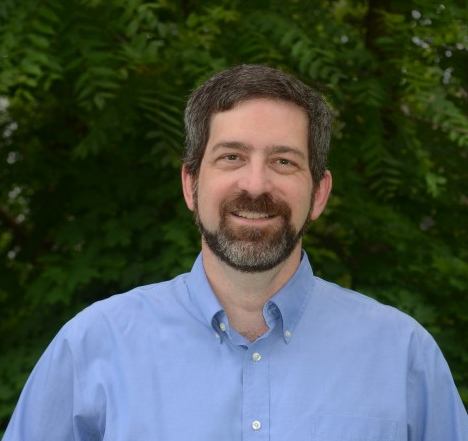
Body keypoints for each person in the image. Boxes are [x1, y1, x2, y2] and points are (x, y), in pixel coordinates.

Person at [3, 64, 468, 441]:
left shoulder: (403, 356)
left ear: (319, 194)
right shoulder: (94, 346)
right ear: (191, 183)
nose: (256, 184)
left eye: (283, 161)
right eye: (231, 157)